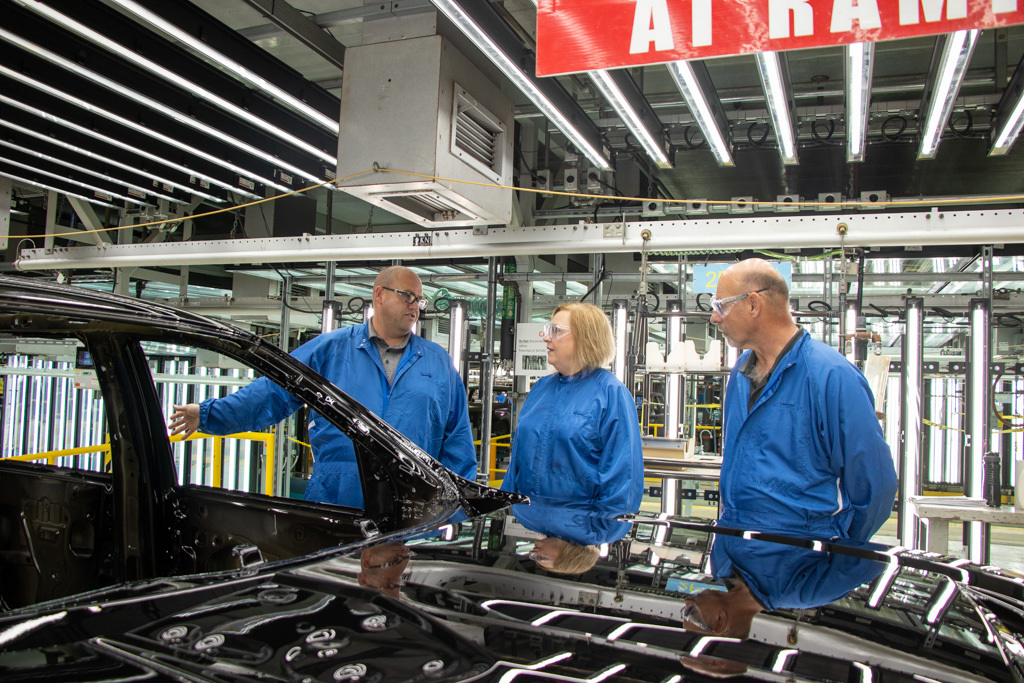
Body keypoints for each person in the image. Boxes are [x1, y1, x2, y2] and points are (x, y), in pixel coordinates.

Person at [169, 266, 477, 508]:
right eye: (407, 296)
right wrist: (209, 414)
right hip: (338, 496)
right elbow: (273, 392)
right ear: (380, 295)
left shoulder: (436, 360)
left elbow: (458, 435)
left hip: (413, 501)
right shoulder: (330, 350)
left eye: (419, 300)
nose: (415, 307)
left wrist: (457, 506)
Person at [709, 259, 897, 542]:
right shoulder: (741, 372)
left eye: (721, 305)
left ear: (752, 304)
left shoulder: (831, 376)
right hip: (737, 550)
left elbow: (875, 486)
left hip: (800, 560)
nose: (715, 318)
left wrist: (836, 553)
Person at [500, 302, 644, 515]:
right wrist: (506, 509)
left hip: (580, 528)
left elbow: (623, 480)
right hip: (530, 522)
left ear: (586, 338)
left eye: (556, 331)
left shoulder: (611, 393)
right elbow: (516, 466)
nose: (546, 337)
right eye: (548, 330)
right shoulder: (541, 388)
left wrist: (592, 533)